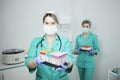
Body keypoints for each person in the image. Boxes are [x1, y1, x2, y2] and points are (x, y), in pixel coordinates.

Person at [25, 11, 75, 80]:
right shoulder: (36, 41)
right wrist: (35, 62)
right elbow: (28, 62)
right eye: (47, 23)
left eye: (53, 23)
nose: (49, 26)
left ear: (57, 24)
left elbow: (70, 59)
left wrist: (66, 64)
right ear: (43, 24)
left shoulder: (65, 41)